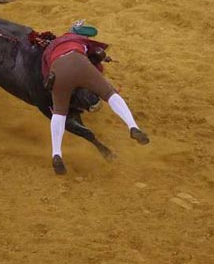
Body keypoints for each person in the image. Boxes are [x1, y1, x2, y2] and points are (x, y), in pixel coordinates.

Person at [41, 20, 149, 174]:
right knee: (110, 93)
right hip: (79, 63)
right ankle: (133, 127)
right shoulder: (81, 40)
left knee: (59, 113)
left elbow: (45, 73)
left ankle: (56, 153)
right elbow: (98, 54)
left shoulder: (51, 48)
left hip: (57, 71)